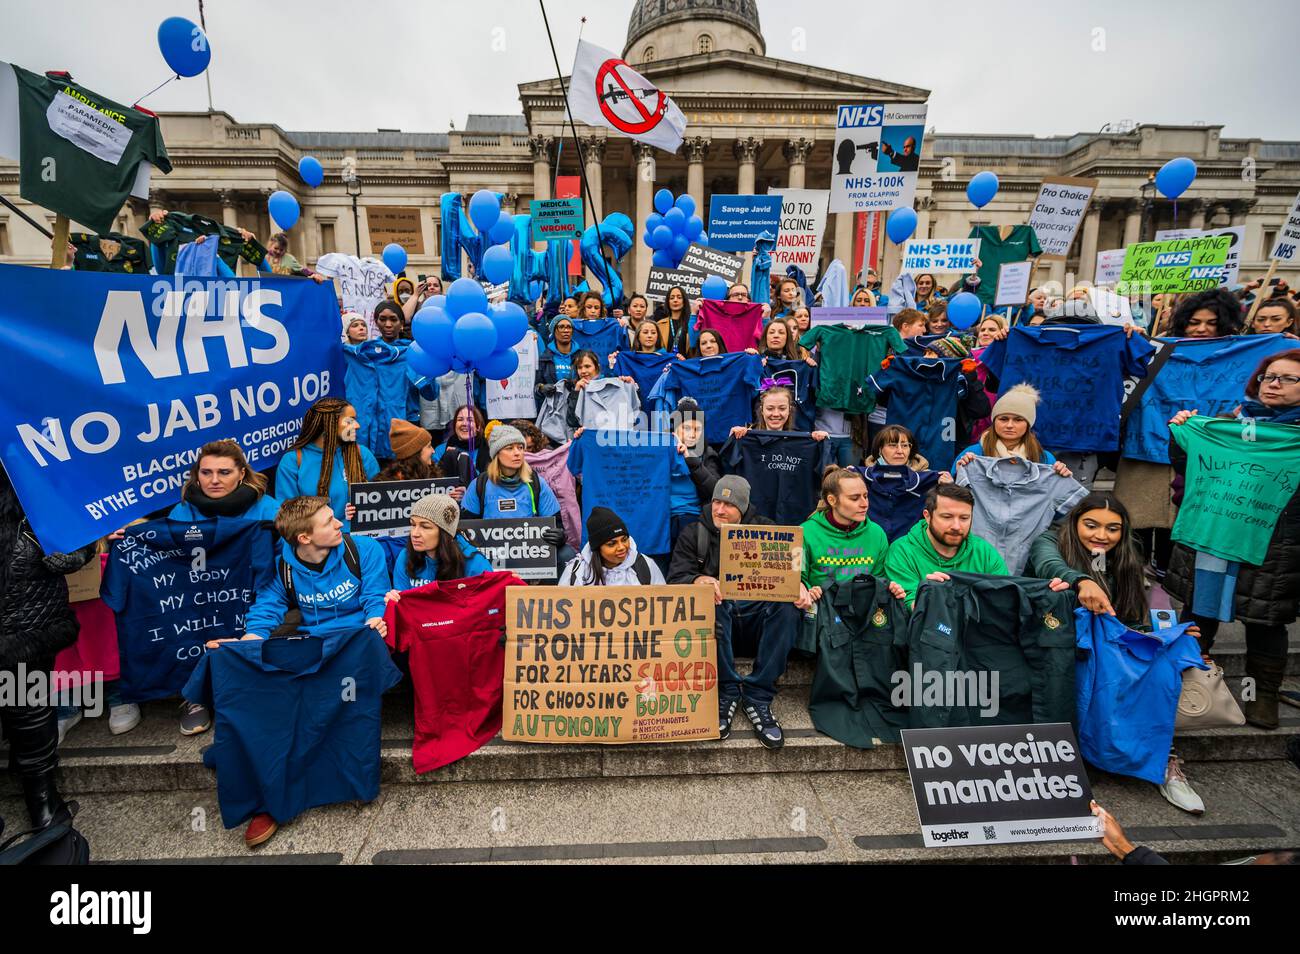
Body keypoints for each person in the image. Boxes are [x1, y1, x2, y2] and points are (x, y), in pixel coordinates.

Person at [208, 494, 390, 847]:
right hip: (313, 646)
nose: (339, 523)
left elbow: (375, 595)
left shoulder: (363, 550)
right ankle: (271, 798)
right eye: (329, 521)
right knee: (273, 700)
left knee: (329, 705)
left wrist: (376, 619)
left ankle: (342, 781)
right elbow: (268, 609)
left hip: (354, 644)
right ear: (304, 538)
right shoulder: (284, 566)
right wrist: (247, 642)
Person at [1025, 492, 1206, 813]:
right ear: (1075, 521)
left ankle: (1164, 761)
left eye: (1113, 529)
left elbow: (1131, 622)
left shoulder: (1123, 557)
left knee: (1164, 659)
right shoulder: (1050, 540)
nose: (1101, 536)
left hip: (1106, 643)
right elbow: (1047, 564)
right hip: (1053, 641)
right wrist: (1081, 582)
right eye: (1091, 525)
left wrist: (1167, 636)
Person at [1165, 350, 1300, 730]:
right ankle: (1188, 689)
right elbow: (1187, 466)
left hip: (1274, 546)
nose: (1274, 384)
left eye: (1289, 379)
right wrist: (1182, 434)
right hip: (1214, 536)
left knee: (1265, 623)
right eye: (1269, 376)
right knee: (1198, 615)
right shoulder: (1226, 423)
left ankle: (1260, 698)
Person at [667, 476, 797, 749]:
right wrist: (696, 580)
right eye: (716, 501)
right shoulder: (694, 532)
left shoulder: (767, 529)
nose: (720, 510)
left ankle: (758, 696)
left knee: (786, 606)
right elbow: (675, 578)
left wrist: (801, 586)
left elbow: (789, 572)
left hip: (757, 619)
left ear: (744, 507)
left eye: (728, 504)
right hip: (719, 622)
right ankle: (726, 692)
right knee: (711, 602)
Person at [0, 469, 97, 834]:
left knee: (28, 709)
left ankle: (42, 799)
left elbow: (76, 543)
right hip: (27, 618)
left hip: (26, 622)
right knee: (27, 710)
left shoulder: (32, 475)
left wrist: (61, 550)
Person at [882, 484, 1010, 608]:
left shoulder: (985, 553)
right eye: (947, 517)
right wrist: (930, 594)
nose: (956, 526)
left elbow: (1005, 600)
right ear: (927, 516)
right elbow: (908, 608)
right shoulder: (902, 552)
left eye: (964, 518)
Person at [797, 467, 900, 616]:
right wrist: (804, 588)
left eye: (866, 496)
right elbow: (798, 578)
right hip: (821, 611)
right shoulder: (805, 532)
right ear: (832, 500)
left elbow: (880, 579)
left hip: (863, 610)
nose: (864, 504)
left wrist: (891, 587)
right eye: (854, 498)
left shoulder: (877, 533)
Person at [275, 397, 379, 528]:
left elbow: (379, 504)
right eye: (350, 420)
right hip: (315, 542)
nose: (357, 426)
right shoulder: (292, 462)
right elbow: (287, 517)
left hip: (359, 539)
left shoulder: (362, 454)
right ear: (329, 424)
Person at [459, 424, 566, 544]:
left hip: (530, 551)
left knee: (566, 554)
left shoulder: (536, 482)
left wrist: (559, 535)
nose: (517, 453)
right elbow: (465, 529)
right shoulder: (479, 484)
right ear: (496, 454)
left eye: (520, 447)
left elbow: (556, 523)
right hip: (491, 554)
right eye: (510, 448)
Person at [857, 425, 953, 543]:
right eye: (892, 445)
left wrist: (947, 488)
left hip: (910, 551)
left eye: (905, 445)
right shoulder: (859, 477)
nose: (900, 451)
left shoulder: (929, 479)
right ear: (880, 449)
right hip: (869, 546)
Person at [952, 384, 1071, 474]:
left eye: (1018, 420)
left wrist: (1062, 476)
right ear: (994, 422)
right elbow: (953, 491)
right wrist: (958, 471)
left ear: (1028, 424)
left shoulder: (1044, 458)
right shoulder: (973, 454)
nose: (1009, 425)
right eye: (1003, 419)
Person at [385, 492, 492, 592]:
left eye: (425, 527)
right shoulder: (406, 556)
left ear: (445, 533)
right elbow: (403, 605)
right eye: (413, 525)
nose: (415, 533)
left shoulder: (474, 563)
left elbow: (488, 606)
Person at [170, 439, 281, 523]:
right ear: (197, 474)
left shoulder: (269, 509)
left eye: (224, 473)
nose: (214, 480)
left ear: (241, 474)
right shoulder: (181, 512)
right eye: (206, 473)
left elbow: (287, 551)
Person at [558, 507, 666, 586]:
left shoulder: (645, 566)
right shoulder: (577, 571)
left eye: (624, 540)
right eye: (612, 544)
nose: (621, 547)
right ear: (597, 548)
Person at [669, 398, 722, 550]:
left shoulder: (707, 454)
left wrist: (690, 458)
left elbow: (714, 490)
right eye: (686, 428)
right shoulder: (662, 450)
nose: (692, 434)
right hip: (663, 519)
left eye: (697, 429)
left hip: (692, 518)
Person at [728, 385, 829, 441]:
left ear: (789, 410)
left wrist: (821, 440)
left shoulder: (801, 440)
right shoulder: (747, 438)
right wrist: (733, 437)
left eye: (782, 408)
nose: (776, 414)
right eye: (770, 408)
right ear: (762, 410)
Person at [432, 404, 489, 488]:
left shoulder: (488, 449)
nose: (465, 424)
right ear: (455, 425)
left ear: (478, 427)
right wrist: (446, 460)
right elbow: (432, 478)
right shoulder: (441, 449)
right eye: (460, 420)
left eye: (470, 420)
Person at [376, 419, 442, 483]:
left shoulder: (434, 475)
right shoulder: (384, 484)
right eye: (429, 446)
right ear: (415, 452)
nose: (433, 451)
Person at [1169, 288, 1245, 338]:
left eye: (1212, 323)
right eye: (1194, 323)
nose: (1201, 329)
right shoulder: (1164, 351)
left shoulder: (1238, 354)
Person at [654, 286, 695, 353]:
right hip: (666, 362)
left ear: (684, 301)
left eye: (679, 297)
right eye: (672, 298)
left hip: (686, 363)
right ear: (668, 302)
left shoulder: (691, 323)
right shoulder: (659, 325)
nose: (675, 300)